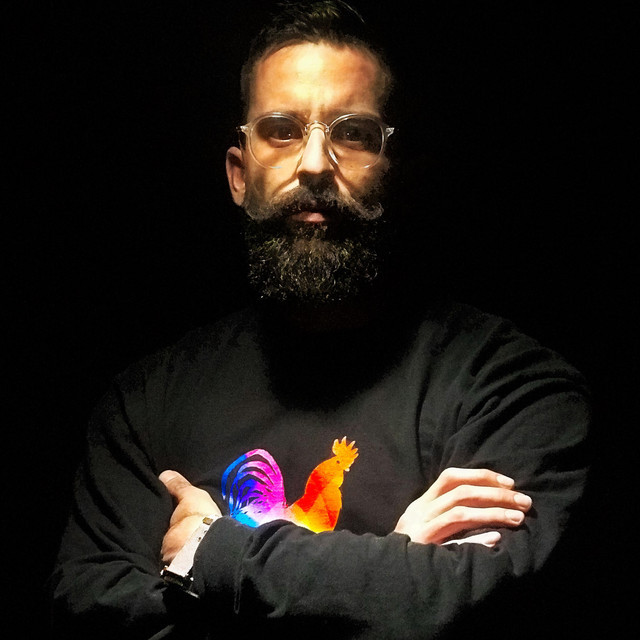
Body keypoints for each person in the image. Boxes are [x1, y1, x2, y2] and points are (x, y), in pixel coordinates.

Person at [50, 2, 590, 638]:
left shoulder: (511, 387)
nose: (312, 164)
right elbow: (95, 612)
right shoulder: (144, 402)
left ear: (394, 168)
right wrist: (393, 567)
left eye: (353, 134)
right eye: (281, 130)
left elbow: (484, 608)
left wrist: (210, 554)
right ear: (237, 175)